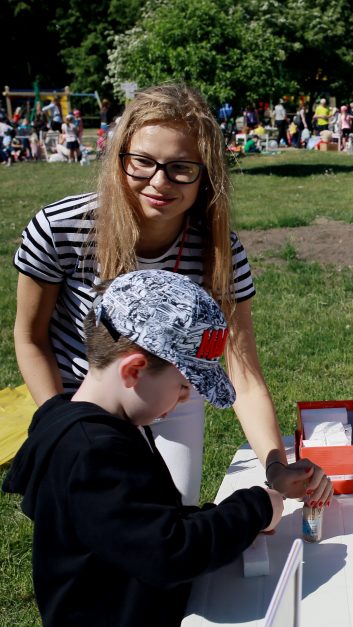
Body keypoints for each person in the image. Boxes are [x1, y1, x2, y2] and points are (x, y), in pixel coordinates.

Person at [12, 83, 327, 507]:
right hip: (87, 398)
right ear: (119, 158)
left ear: (206, 175)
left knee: (173, 509)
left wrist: (274, 465)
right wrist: (62, 424)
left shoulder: (218, 250)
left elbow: (243, 370)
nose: (159, 182)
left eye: (181, 168)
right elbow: (30, 338)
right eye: (142, 162)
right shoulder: (60, 228)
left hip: (172, 396)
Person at [2, 270, 292, 626]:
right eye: (183, 387)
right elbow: (170, 553)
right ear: (134, 370)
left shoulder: (96, 428)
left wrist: (223, 521)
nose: (184, 398)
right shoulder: (94, 454)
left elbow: (145, 522)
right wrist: (255, 508)